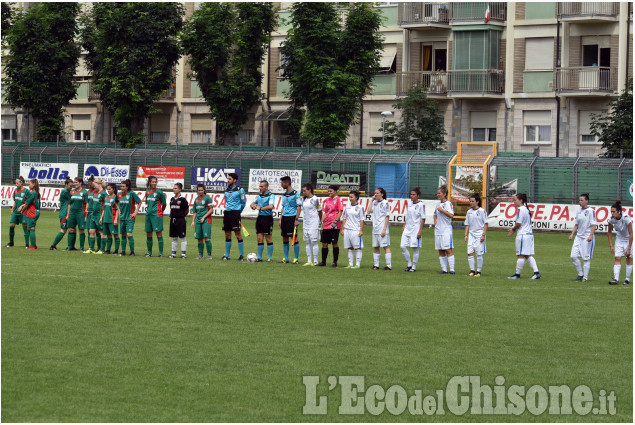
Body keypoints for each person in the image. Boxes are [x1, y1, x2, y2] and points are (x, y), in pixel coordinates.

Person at [507, 193, 541, 279]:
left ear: (521, 201)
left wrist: (513, 230)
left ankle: (517, 274)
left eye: (515, 200)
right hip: (529, 235)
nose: (514, 202)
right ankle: (536, 273)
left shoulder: (520, 209)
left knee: (520, 255)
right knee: (527, 255)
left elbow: (519, 223)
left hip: (523, 235)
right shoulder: (526, 209)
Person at [569, 193, 596, 282]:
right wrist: (572, 233)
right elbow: (576, 224)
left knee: (585, 258)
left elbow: (593, 224)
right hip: (578, 237)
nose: (580, 202)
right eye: (579, 200)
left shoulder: (591, 211)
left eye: (582, 200)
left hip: (587, 237)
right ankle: (580, 274)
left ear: (587, 201)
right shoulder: (579, 210)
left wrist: (591, 235)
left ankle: (585, 278)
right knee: (573, 256)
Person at [222, 172, 246, 261]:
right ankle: (227, 255)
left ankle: (241, 256)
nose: (228, 180)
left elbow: (243, 203)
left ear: (235, 180)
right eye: (228, 179)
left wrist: (238, 211)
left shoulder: (240, 190)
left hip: (235, 213)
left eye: (230, 179)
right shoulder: (226, 190)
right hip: (227, 213)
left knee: (237, 234)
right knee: (227, 234)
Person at [317, 185, 343, 267]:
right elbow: (326, 212)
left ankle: (335, 262)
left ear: (335, 191)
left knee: (334, 243)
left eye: (331, 191)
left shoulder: (338, 199)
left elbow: (340, 211)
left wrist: (336, 221)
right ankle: (323, 262)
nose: (329, 192)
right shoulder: (327, 200)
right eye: (328, 191)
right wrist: (321, 221)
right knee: (324, 243)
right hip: (326, 225)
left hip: (334, 225)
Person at [608, 201, 633, 285]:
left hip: (629, 239)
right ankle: (616, 279)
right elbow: (609, 232)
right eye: (611, 211)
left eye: (614, 211)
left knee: (628, 258)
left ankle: (627, 279)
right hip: (619, 239)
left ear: (619, 211)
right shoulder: (611, 220)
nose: (612, 213)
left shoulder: (626, 218)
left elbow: (631, 233)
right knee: (617, 258)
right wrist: (611, 245)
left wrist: (629, 248)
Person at [401, 187, 425, 272]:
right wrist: (404, 225)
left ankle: (414, 267)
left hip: (415, 229)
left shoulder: (421, 205)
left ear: (418, 196)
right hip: (407, 228)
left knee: (415, 248)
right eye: (411, 194)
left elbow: (423, 218)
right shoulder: (409, 203)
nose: (412, 196)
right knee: (402, 246)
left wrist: (420, 231)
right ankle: (409, 264)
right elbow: (408, 216)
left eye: (414, 194)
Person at [250, 180, 275, 262]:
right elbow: (253, 203)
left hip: (267, 218)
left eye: (262, 186)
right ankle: (259, 258)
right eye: (259, 186)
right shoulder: (259, 196)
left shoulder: (271, 195)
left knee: (268, 238)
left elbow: (271, 206)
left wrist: (260, 208)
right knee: (259, 238)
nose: (260, 188)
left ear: (266, 187)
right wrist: (253, 205)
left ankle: (269, 258)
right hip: (260, 218)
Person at [464, 193, 488, 276]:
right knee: (469, 252)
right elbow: (467, 224)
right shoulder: (469, 212)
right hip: (471, 234)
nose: (471, 202)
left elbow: (486, 224)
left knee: (478, 253)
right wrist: (466, 235)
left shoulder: (482, 211)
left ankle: (478, 272)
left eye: (472, 201)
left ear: (477, 202)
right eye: (470, 201)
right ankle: (472, 271)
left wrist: (483, 235)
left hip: (479, 234)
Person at [279, 176, 301, 264]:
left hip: (292, 218)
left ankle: (296, 259)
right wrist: (280, 219)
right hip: (284, 218)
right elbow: (283, 207)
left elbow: (299, 207)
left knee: (294, 237)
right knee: (284, 238)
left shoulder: (296, 194)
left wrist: (296, 219)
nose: (281, 185)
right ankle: (286, 258)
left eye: (282, 183)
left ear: (287, 183)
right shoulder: (284, 194)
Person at [368, 187, 392, 270]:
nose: (375, 194)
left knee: (385, 246)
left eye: (377, 193)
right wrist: (371, 201)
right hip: (375, 228)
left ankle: (388, 265)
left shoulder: (385, 203)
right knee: (376, 247)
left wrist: (384, 229)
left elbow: (387, 216)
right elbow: (368, 211)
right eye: (375, 193)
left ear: (382, 194)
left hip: (382, 228)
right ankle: (376, 265)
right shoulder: (374, 202)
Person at [299, 183, 322, 266]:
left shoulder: (315, 199)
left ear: (310, 190)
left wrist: (319, 221)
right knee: (307, 242)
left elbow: (320, 211)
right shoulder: (304, 199)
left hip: (314, 223)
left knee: (314, 242)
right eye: (303, 191)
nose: (303, 192)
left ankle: (315, 261)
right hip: (306, 223)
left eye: (304, 191)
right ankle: (309, 260)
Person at [117, 179, 142, 256]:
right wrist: (118, 210)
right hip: (122, 218)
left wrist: (135, 212)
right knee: (123, 235)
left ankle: (132, 252)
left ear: (127, 187)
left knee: (129, 234)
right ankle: (123, 251)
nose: (122, 188)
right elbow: (115, 202)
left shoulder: (131, 194)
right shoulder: (119, 194)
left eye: (123, 186)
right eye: (121, 186)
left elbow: (139, 202)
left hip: (130, 218)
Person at [143, 175, 167, 257]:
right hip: (148, 216)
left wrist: (160, 211)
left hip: (157, 215)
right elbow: (147, 203)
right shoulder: (147, 192)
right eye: (152, 182)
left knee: (158, 234)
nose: (154, 183)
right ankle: (149, 252)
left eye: (155, 182)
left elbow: (164, 204)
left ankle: (160, 253)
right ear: (149, 183)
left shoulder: (159, 192)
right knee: (148, 234)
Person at [341, 190, 365, 269]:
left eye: (351, 197)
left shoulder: (360, 207)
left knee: (357, 247)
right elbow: (344, 218)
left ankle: (358, 264)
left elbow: (362, 220)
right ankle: (350, 264)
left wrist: (361, 230)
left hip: (356, 230)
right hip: (347, 229)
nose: (350, 198)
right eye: (349, 197)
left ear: (356, 197)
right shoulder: (347, 207)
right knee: (349, 247)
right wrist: (343, 229)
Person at [434, 185, 455, 274]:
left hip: (446, 230)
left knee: (448, 249)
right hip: (438, 230)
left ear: (444, 194)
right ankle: (444, 269)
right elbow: (435, 214)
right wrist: (435, 221)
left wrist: (442, 210)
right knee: (441, 250)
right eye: (437, 193)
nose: (437, 194)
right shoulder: (438, 204)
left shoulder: (448, 204)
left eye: (439, 193)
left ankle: (452, 269)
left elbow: (451, 215)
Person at [191, 184, 214, 259]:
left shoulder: (208, 198)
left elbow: (211, 209)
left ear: (204, 190)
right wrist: (193, 221)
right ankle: (200, 255)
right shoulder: (196, 200)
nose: (200, 191)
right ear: (197, 191)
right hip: (198, 220)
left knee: (206, 237)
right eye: (199, 190)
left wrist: (204, 217)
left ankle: (209, 255)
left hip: (206, 220)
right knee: (199, 238)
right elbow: (195, 212)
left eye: (201, 190)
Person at [50, 177, 73, 250]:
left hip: (65, 212)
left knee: (70, 229)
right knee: (63, 230)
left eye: (72, 186)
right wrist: (67, 214)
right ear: (66, 185)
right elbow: (71, 201)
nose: (71, 187)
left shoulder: (65, 191)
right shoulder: (65, 192)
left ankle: (70, 246)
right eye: (70, 186)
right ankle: (53, 246)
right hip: (64, 213)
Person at [85, 178, 107, 254]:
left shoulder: (104, 193)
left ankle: (102, 249)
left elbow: (106, 205)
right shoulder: (95, 192)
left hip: (99, 215)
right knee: (91, 231)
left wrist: (102, 216)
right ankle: (91, 248)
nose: (94, 186)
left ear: (99, 184)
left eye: (95, 185)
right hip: (93, 215)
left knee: (101, 232)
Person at [17, 179, 41, 250]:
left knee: (31, 228)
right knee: (29, 227)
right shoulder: (36, 192)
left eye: (30, 184)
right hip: (35, 211)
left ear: (33, 184)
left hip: (32, 212)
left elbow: (27, 203)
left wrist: (22, 210)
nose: (28, 185)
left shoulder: (32, 193)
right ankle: (34, 244)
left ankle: (33, 246)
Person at [5, 176, 28, 247]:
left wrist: (22, 206)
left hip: (23, 211)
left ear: (21, 183)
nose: (16, 184)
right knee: (11, 225)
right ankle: (11, 242)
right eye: (15, 183)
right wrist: (12, 209)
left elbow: (28, 202)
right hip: (15, 212)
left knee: (24, 226)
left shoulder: (26, 191)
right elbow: (15, 201)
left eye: (17, 183)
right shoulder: (15, 190)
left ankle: (27, 244)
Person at [66, 177, 88, 251]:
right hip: (72, 213)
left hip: (80, 213)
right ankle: (70, 247)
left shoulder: (85, 192)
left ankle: (81, 247)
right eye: (74, 182)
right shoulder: (72, 192)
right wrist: (68, 214)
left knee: (81, 230)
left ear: (80, 183)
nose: (74, 184)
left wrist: (86, 214)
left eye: (76, 182)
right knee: (71, 229)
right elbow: (69, 204)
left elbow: (87, 203)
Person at [99, 183, 121, 254]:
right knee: (108, 235)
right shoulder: (106, 198)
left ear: (113, 189)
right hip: (106, 219)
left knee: (115, 234)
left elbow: (117, 209)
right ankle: (108, 250)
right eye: (107, 189)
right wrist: (101, 218)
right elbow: (104, 209)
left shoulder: (115, 198)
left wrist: (116, 219)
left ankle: (116, 250)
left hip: (112, 219)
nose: (108, 191)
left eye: (109, 189)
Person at [169, 183, 189, 258]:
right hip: (173, 220)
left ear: (180, 189)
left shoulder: (183, 199)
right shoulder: (172, 199)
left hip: (180, 220)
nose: (174, 189)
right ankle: (173, 254)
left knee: (182, 237)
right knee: (174, 237)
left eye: (175, 188)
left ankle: (183, 254)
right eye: (173, 188)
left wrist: (182, 216)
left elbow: (186, 210)